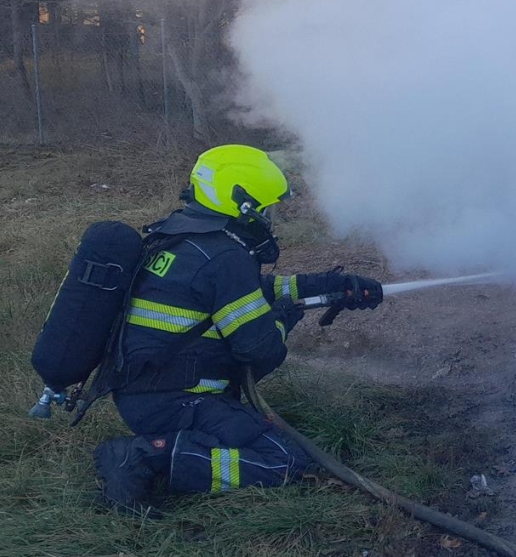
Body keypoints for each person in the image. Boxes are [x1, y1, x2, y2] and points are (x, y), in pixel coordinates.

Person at [92, 145, 384, 515]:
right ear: (244, 206)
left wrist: (332, 284)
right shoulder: (225, 257)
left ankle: (166, 445)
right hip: (175, 400)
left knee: (263, 443)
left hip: (146, 393)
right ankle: (144, 457)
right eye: (265, 208)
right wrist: (282, 319)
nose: (268, 219)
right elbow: (259, 349)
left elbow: (254, 290)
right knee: (284, 460)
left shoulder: (188, 238)